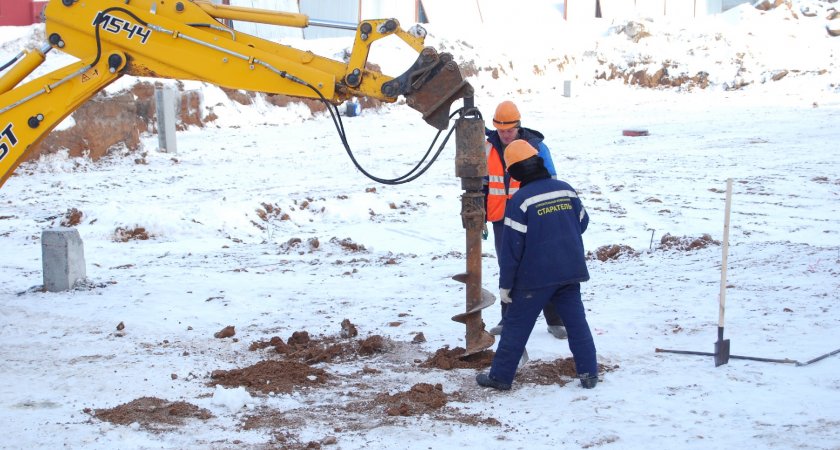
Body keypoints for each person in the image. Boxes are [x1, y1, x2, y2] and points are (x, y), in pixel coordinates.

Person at [476, 140, 598, 390]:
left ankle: (499, 377)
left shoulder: (521, 200)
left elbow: (512, 249)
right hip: (570, 271)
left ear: (516, 172)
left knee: (516, 326)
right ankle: (589, 374)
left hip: (535, 278)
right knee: (577, 325)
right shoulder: (566, 190)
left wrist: (506, 285)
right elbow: (582, 223)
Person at [484, 100, 566, 340]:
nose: (506, 135)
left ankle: (555, 320)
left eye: (510, 130)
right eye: (501, 130)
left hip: (534, 218)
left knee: (543, 266)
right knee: (508, 268)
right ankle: (507, 318)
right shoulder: (488, 148)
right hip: (502, 219)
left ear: (518, 125)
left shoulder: (537, 147)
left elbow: (550, 180)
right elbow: (484, 182)